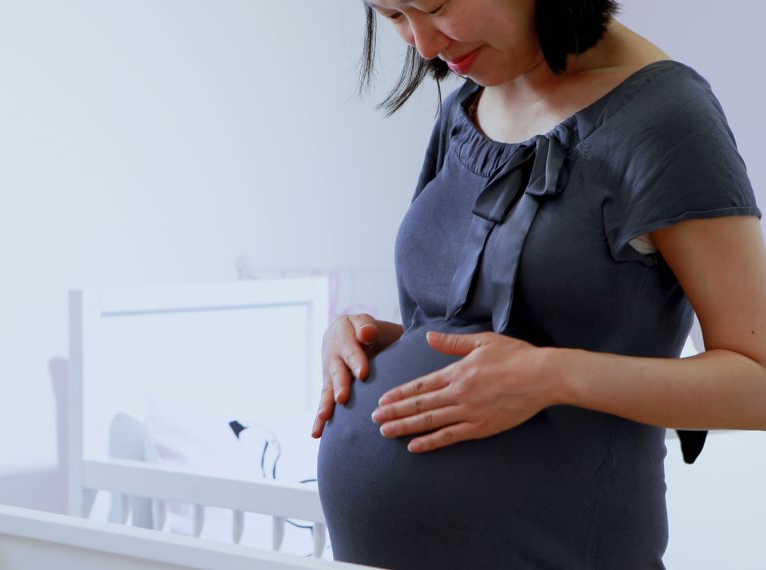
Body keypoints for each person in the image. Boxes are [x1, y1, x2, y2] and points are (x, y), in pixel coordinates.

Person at [310, 0, 765, 568]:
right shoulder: (465, 106)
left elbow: (758, 379)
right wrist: (378, 346)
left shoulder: (667, 118)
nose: (424, 45)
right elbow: (482, 338)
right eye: (394, 15)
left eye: (436, 6)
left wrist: (555, 376)